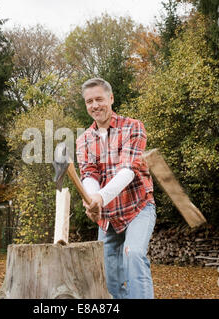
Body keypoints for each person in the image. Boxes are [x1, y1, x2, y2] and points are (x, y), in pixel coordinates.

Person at [76, 77, 157, 299]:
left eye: (99, 99)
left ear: (111, 98)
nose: (94, 105)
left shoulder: (133, 127)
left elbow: (127, 170)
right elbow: (89, 173)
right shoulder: (83, 140)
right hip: (108, 217)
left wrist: (99, 197)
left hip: (137, 208)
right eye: (89, 101)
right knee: (108, 276)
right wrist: (92, 197)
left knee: (134, 254)